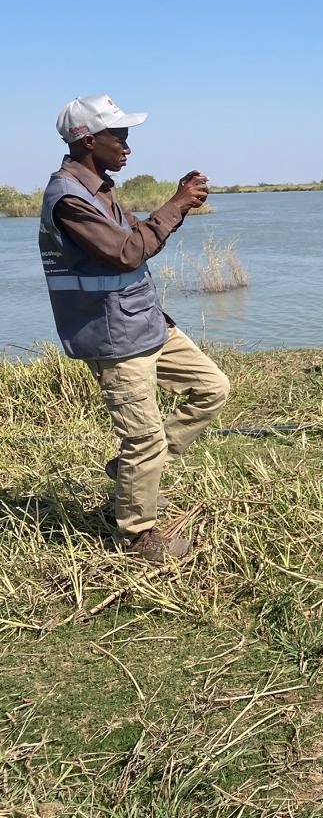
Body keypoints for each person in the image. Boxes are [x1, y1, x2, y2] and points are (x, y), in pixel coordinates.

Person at [40, 94, 230, 563]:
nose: (128, 147)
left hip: (144, 322)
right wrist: (176, 202)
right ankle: (138, 537)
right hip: (113, 335)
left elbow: (140, 241)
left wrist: (179, 206)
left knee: (212, 388)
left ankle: (131, 473)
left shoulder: (100, 188)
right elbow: (127, 254)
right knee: (142, 438)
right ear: (87, 140)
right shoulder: (68, 198)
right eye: (119, 136)